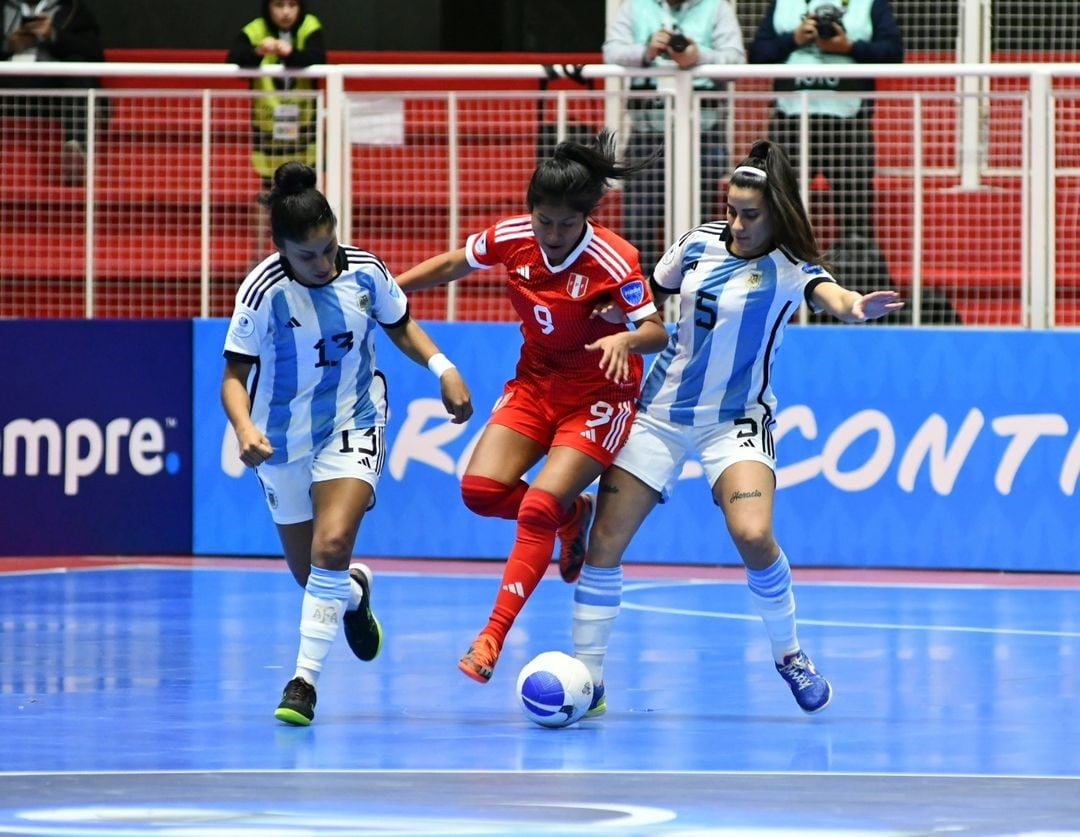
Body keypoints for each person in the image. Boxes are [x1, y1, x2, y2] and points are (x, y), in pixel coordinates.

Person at [570, 139, 903, 717]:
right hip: (660, 416)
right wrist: (618, 313)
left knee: (752, 535)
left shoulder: (791, 267)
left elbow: (835, 298)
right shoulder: (696, 243)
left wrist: (857, 308)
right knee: (604, 542)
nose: (737, 223)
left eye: (750, 215)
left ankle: (790, 654)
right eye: (731, 210)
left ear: (775, 215)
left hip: (737, 421)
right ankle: (590, 680)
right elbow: (654, 290)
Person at [395, 129, 670, 686]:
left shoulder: (614, 259)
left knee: (536, 508)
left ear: (587, 217)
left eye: (566, 224)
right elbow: (453, 264)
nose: (553, 234)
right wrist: (384, 290)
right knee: (479, 492)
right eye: (545, 221)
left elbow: (655, 330)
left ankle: (491, 637)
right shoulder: (514, 237)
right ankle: (575, 519)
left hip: (598, 395)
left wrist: (625, 340)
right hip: (536, 382)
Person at [221, 161, 473, 726]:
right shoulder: (263, 294)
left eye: (328, 247)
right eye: (307, 255)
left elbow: (399, 323)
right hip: (281, 437)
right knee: (314, 575)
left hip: (353, 419)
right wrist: (244, 428)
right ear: (281, 249)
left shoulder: (364, 272)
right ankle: (355, 594)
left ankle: (302, 682)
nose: (322, 262)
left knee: (331, 546)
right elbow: (233, 379)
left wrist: (443, 367)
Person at [602, 0, 746, 276]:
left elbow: (736, 59)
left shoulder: (717, 8)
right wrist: (647, 50)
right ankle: (641, 303)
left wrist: (698, 56)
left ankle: (699, 293)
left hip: (703, 131)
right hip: (646, 131)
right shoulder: (636, 7)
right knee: (638, 223)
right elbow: (612, 51)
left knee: (702, 222)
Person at [748, 0, 903, 243]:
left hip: (849, 122)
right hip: (790, 120)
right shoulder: (783, 3)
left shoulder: (870, 4)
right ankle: (778, 269)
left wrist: (850, 47)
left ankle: (854, 269)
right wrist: (793, 39)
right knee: (778, 207)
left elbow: (893, 53)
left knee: (856, 212)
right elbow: (757, 54)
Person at [1, 0, 105, 186]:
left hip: (51, 92)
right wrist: (7, 47)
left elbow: (94, 54)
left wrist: (54, 36)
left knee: (77, 67)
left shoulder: (73, 10)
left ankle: (76, 149)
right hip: (7, 87)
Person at [226, 0, 325, 192]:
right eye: (279, 5)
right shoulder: (255, 30)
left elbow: (318, 59)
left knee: (308, 192)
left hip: (305, 129)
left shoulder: (310, 26)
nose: (286, 12)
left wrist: (291, 54)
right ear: (268, 7)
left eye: (292, 5)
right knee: (268, 194)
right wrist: (258, 52)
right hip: (268, 129)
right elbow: (234, 59)